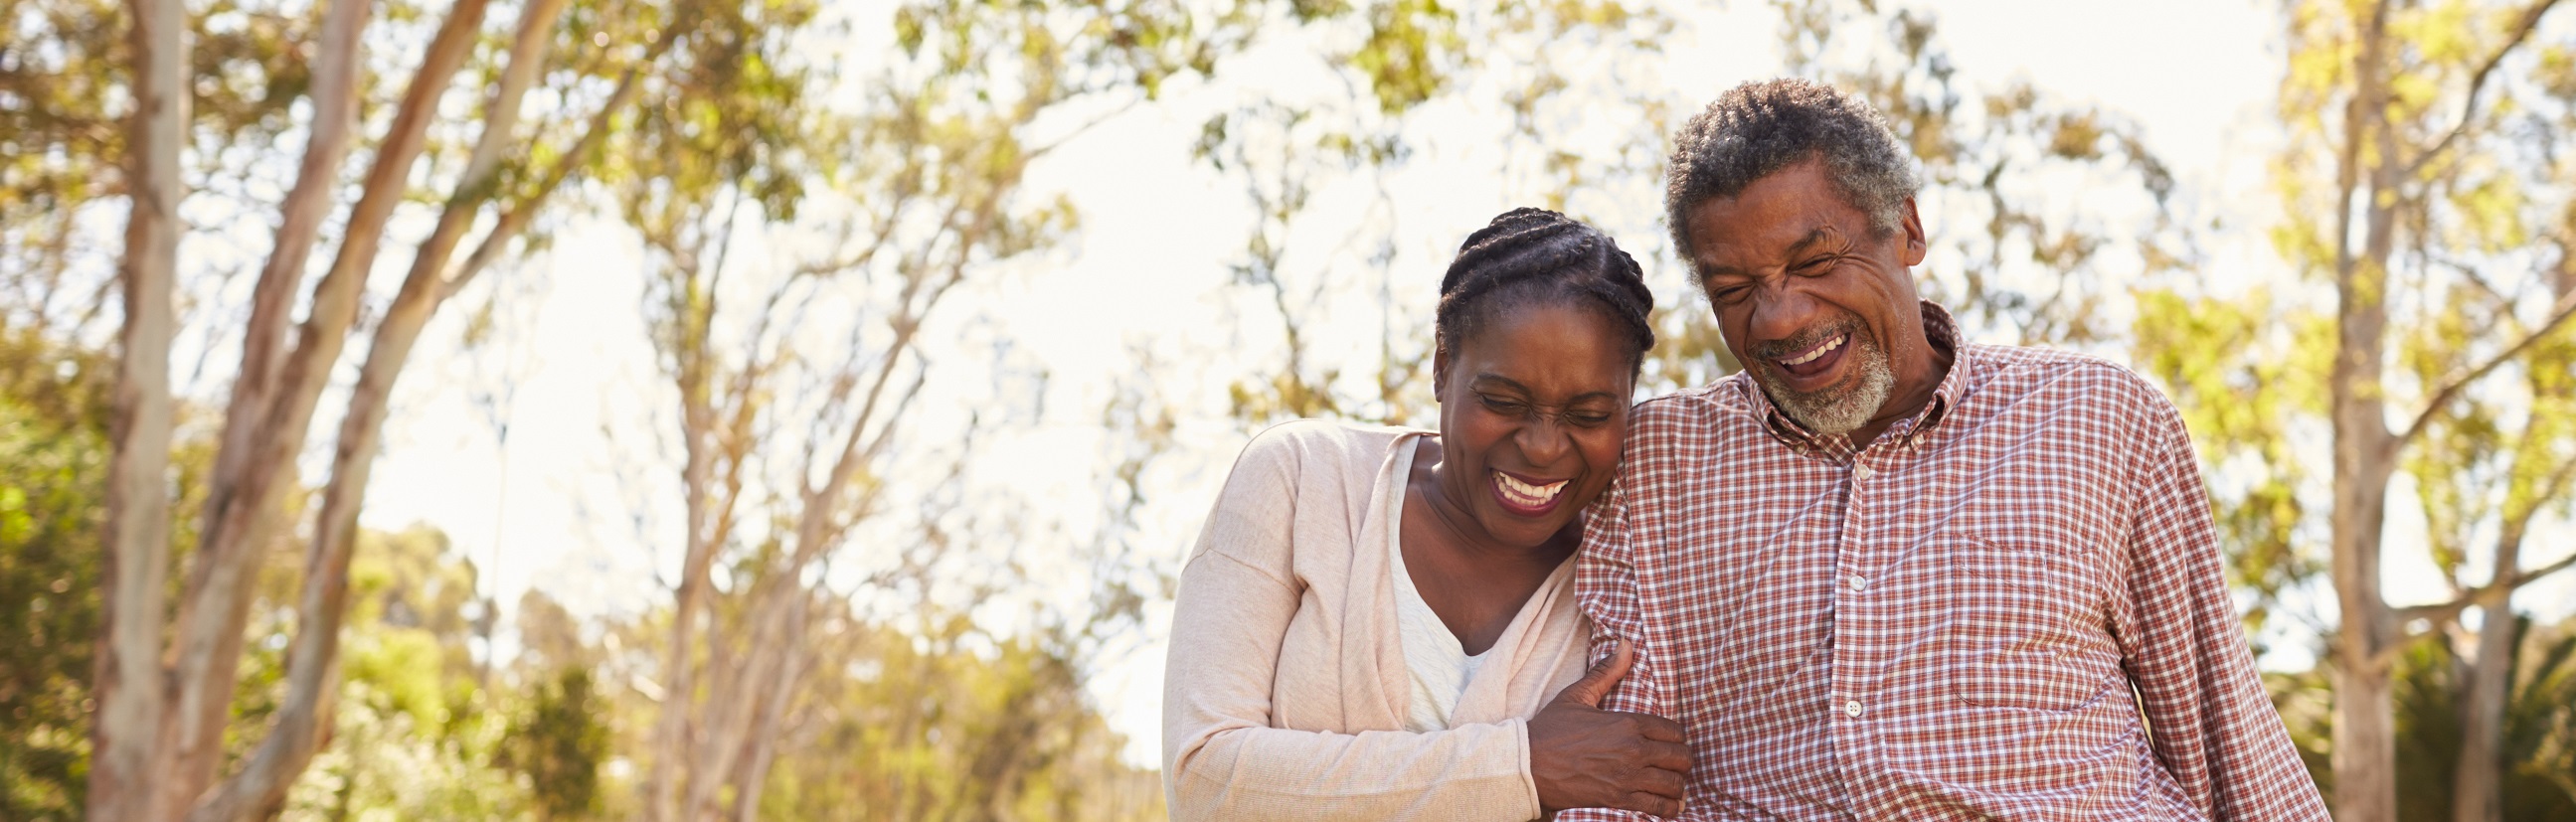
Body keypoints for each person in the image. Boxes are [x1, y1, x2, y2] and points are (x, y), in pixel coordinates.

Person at [1562, 80, 2330, 820]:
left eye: (1815, 261)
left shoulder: (2099, 418)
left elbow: (2219, 725)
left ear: (1907, 230)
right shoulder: (1655, 463)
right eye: (1733, 289)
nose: (1779, 317)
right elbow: (1621, 768)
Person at [1163, 208, 1693, 820]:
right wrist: (1521, 768)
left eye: (1590, 415)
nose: (1544, 447)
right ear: (1443, 367)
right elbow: (1203, 779)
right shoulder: (1303, 479)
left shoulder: (1631, 570)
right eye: (1501, 400)